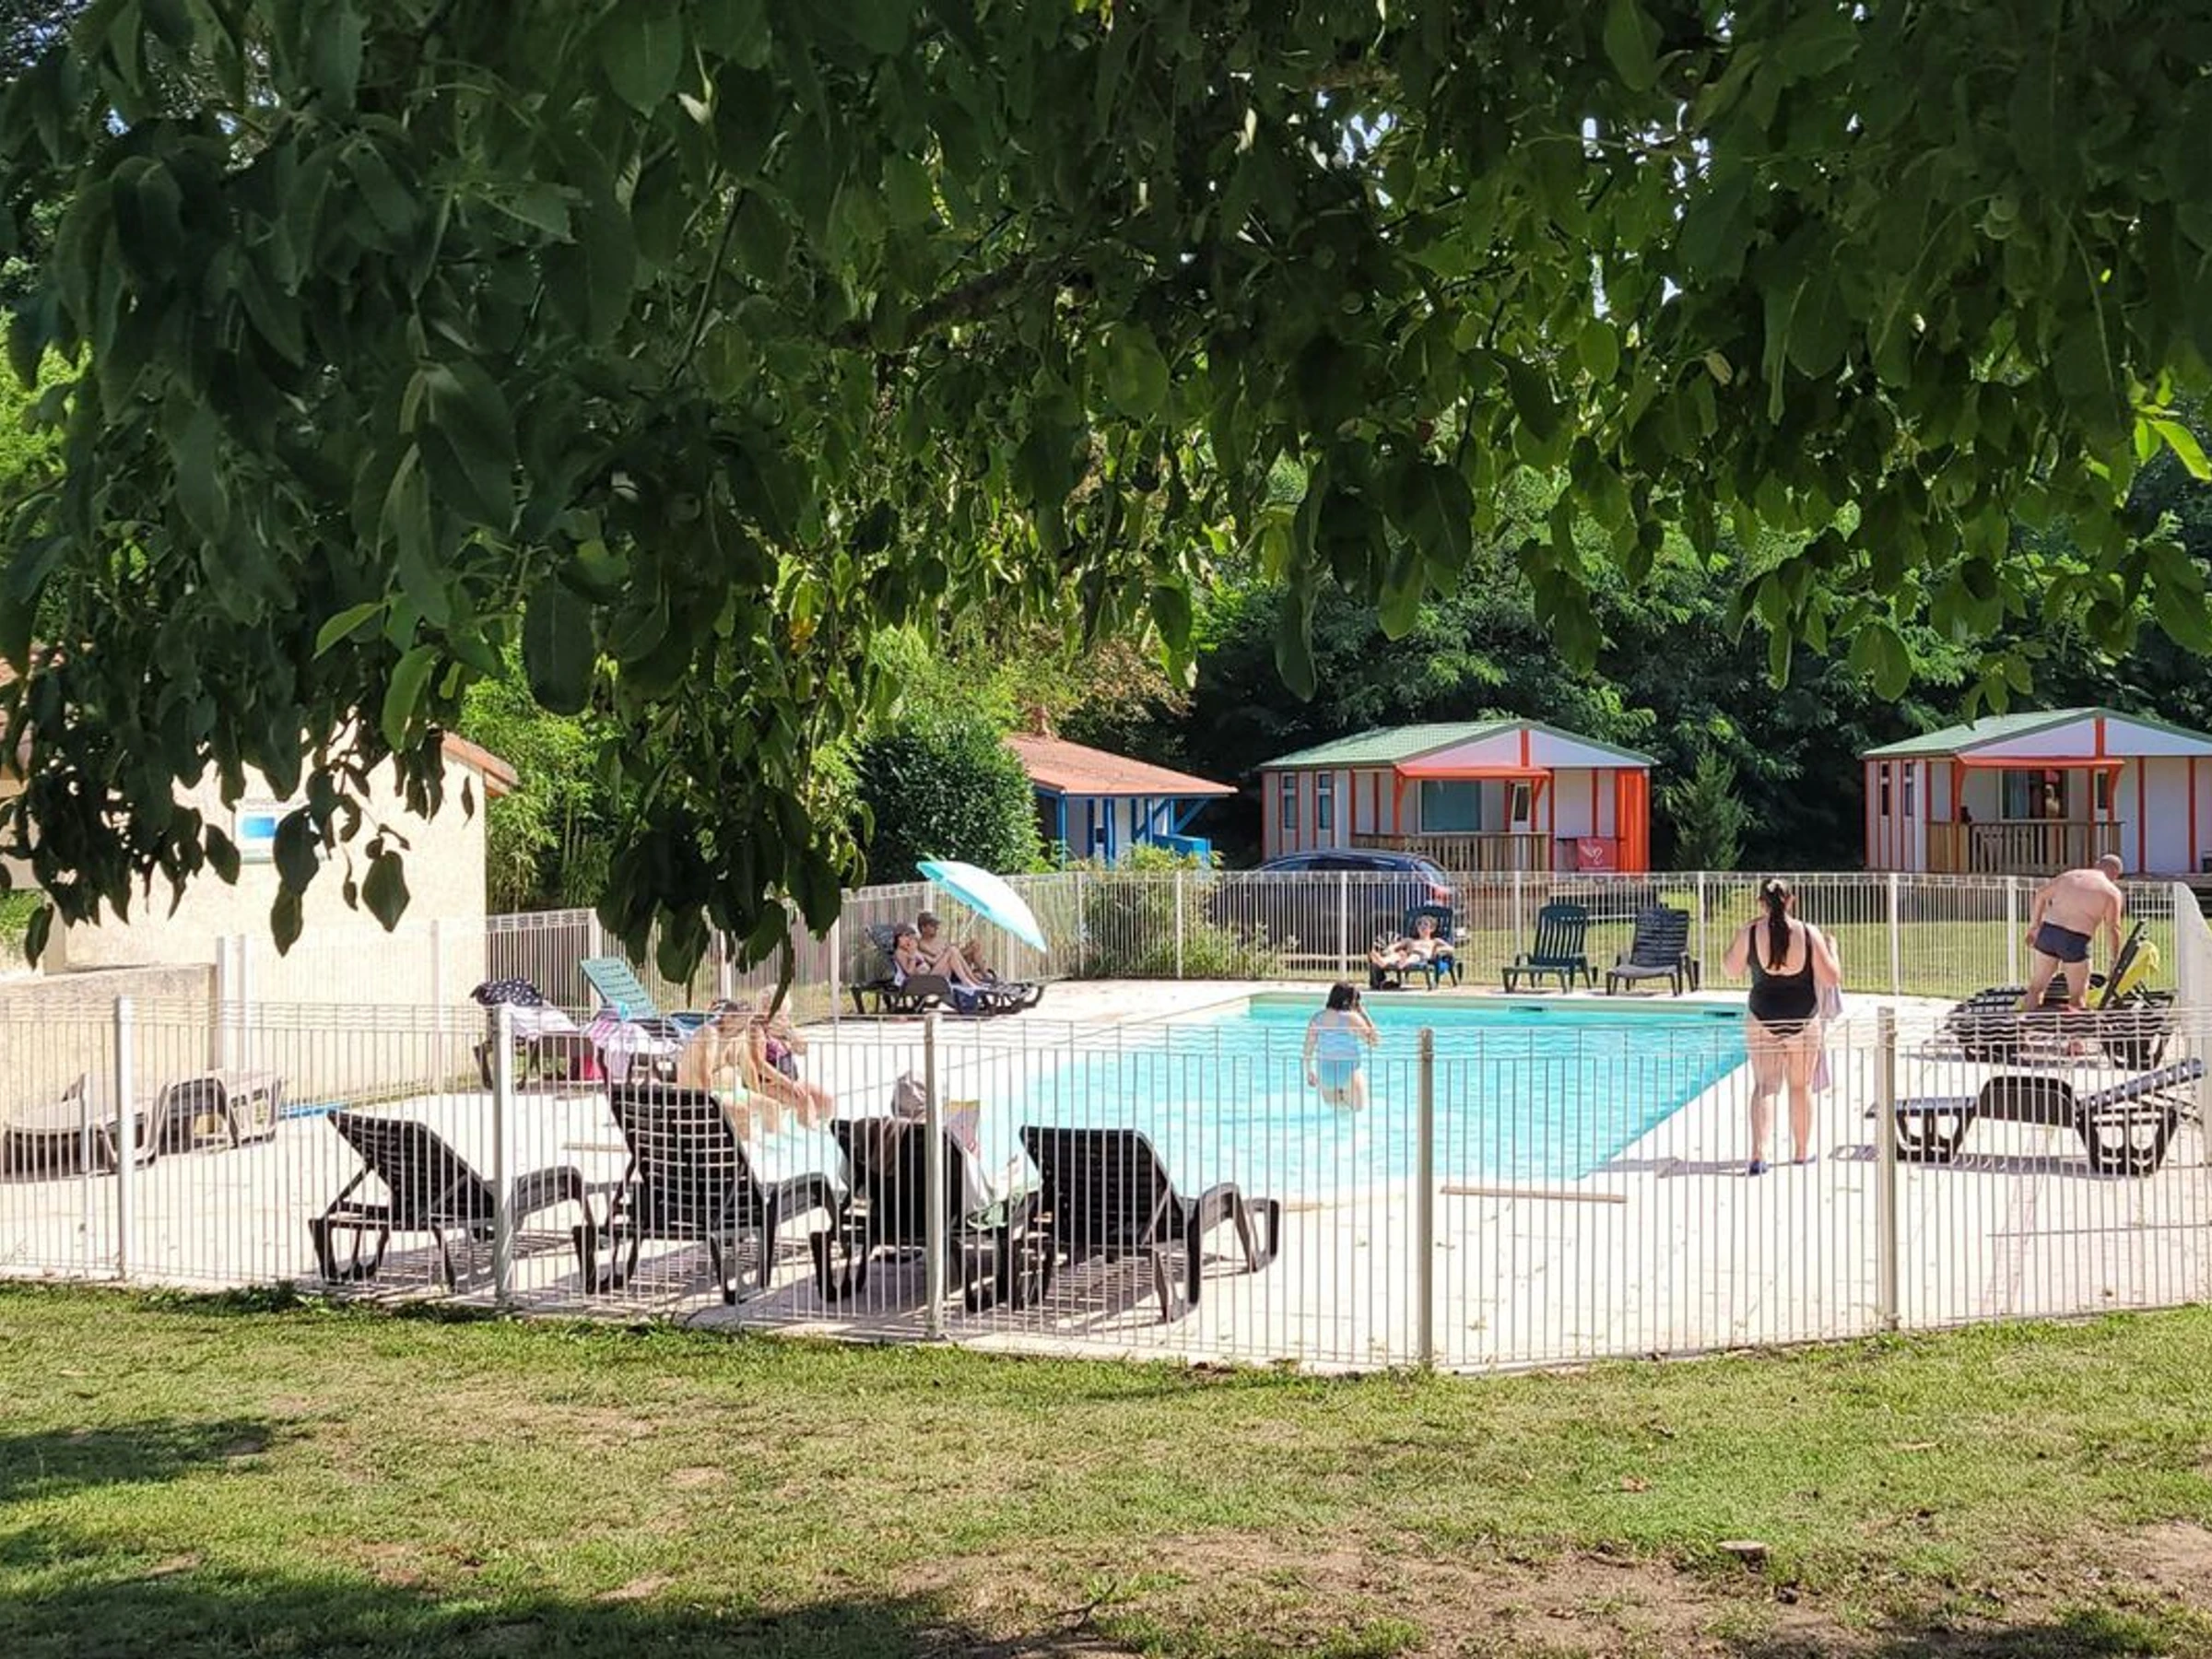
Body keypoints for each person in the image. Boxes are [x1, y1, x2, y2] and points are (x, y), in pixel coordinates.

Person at [1722, 877, 1841, 1175]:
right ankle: (1801, 1153)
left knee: (1766, 1086)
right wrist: (1834, 951)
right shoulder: (1808, 932)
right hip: (1803, 1019)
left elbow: (1731, 971)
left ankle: (1758, 1155)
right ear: (1791, 900)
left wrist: (1738, 942)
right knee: (1801, 1086)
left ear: (1760, 902)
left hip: (1762, 1017)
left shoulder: (1750, 932)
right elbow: (1831, 978)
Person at [2020, 853, 2126, 1013]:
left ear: (2096, 865)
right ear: (2116, 874)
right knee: (2077, 996)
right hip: (2075, 939)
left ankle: (2023, 1026)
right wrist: (2114, 959)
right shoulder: (2111, 892)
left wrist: (2034, 926)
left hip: (2049, 932)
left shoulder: (2070, 876)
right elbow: (2113, 928)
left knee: (2036, 988)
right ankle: (2076, 1029)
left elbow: (2040, 894)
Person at [1303, 982, 1380, 1110]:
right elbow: (1374, 1042)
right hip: (1348, 1070)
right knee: (1357, 1113)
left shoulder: (1317, 1018)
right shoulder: (1352, 1018)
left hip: (1325, 1071)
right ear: (1348, 1001)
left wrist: (1309, 1071)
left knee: (1338, 1115)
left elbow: (1308, 1048)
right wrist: (1364, 1014)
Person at [1367, 912, 1448, 985]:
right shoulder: (1410, 940)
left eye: (1425, 924)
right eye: (1419, 924)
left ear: (1432, 929)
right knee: (1397, 954)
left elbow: (1450, 948)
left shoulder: (1434, 941)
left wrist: (1439, 950)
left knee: (1414, 956)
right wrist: (1390, 949)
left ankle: (1403, 962)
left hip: (1422, 957)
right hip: (1407, 954)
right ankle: (1383, 962)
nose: (1422, 926)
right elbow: (1396, 945)